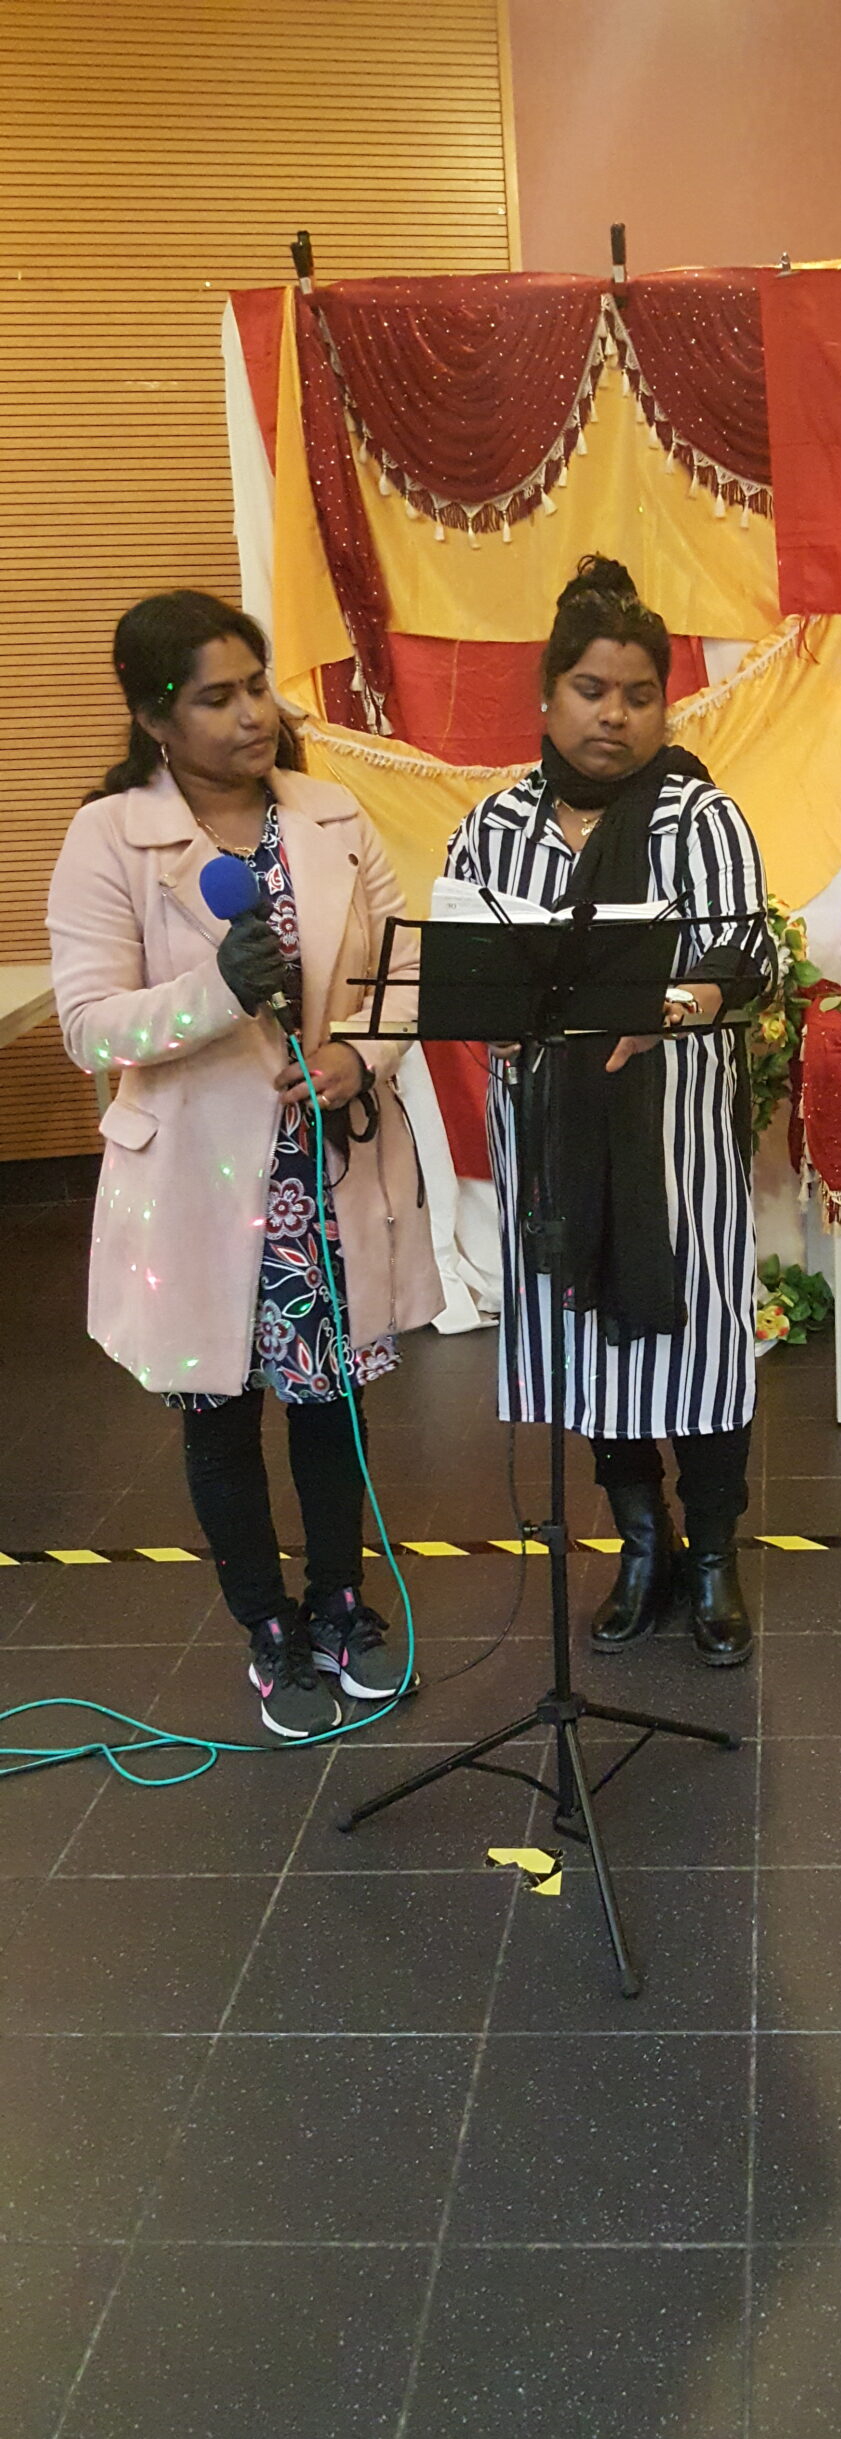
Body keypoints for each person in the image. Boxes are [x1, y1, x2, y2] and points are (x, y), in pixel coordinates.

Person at [47, 591, 442, 1737]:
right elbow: (89, 1027)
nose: (252, 715)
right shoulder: (108, 837)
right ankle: (266, 1623)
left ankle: (340, 1605)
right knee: (218, 1413)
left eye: (257, 686)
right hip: (197, 1185)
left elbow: (403, 969)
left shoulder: (331, 814)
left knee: (330, 1407)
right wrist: (214, 991)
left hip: (324, 1168)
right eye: (217, 698)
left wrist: (360, 1054)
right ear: (153, 718)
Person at [444, 557, 774, 1666]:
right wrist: (490, 1016)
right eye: (592, 690)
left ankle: (713, 1553)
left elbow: (747, 961)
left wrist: (670, 1005)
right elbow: (467, 972)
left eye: (639, 694)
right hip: (552, 1145)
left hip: (676, 1151)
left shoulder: (701, 819)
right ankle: (643, 1543)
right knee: (590, 1349)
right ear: (547, 696)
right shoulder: (493, 827)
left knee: (702, 1347)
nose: (616, 715)